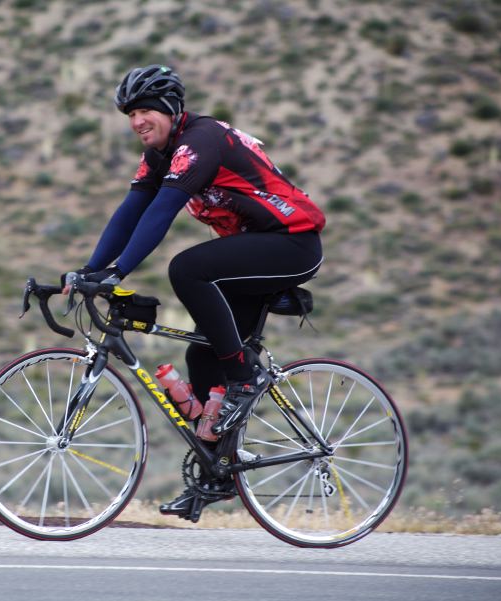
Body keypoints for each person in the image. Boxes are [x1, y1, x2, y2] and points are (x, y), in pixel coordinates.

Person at [64, 64, 326, 517]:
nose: (136, 121)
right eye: (129, 114)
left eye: (145, 110)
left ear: (169, 108)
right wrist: (89, 270)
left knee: (187, 269)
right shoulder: (161, 155)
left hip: (293, 243)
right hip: (257, 248)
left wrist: (119, 271)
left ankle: (244, 378)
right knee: (203, 353)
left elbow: (162, 211)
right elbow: (130, 211)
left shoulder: (200, 141)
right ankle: (217, 473)